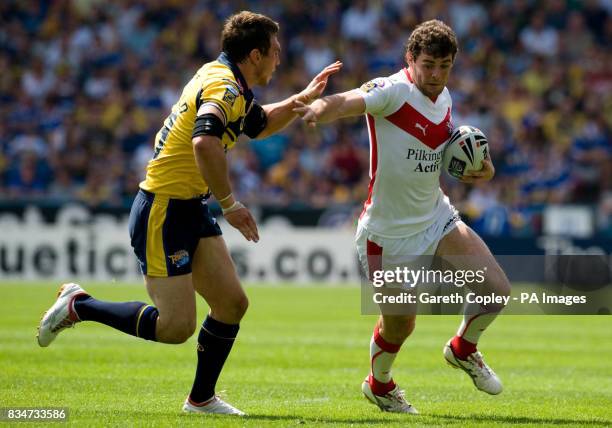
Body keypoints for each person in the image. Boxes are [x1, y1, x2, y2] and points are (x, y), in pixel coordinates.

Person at [37, 11, 341, 416]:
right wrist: (230, 204)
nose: (279, 59)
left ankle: (200, 399)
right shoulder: (224, 87)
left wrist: (300, 99)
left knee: (232, 304)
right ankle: (81, 305)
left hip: (188, 204)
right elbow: (204, 142)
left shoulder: (224, 76)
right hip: (163, 208)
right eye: (275, 52)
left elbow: (259, 124)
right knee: (175, 327)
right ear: (255, 55)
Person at [294, 19, 510, 414]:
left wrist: (481, 167)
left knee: (495, 290)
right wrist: (320, 108)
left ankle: (463, 349)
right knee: (401, 326)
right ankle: (379, 384)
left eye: (444, 66)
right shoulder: (392, 90)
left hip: (436, 218)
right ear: (410, 59)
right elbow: (349, 101)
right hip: (386, 236)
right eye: (428, 64)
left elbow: (445, 156)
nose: (435, 74)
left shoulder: (444, 99)